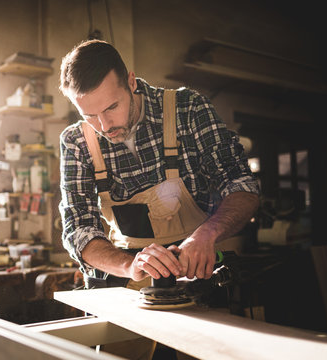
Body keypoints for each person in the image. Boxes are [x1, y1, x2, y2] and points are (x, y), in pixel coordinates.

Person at [58, 39, 259, 290]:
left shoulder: (188, 109)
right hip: (131, 282)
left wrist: (206, 236)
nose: (105, 125)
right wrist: (129, 266)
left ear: (131, 82)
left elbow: (242, 186)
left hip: (205, 275)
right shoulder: (76, 142)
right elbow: (78, 229)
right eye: (90, 116)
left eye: (112, 107)